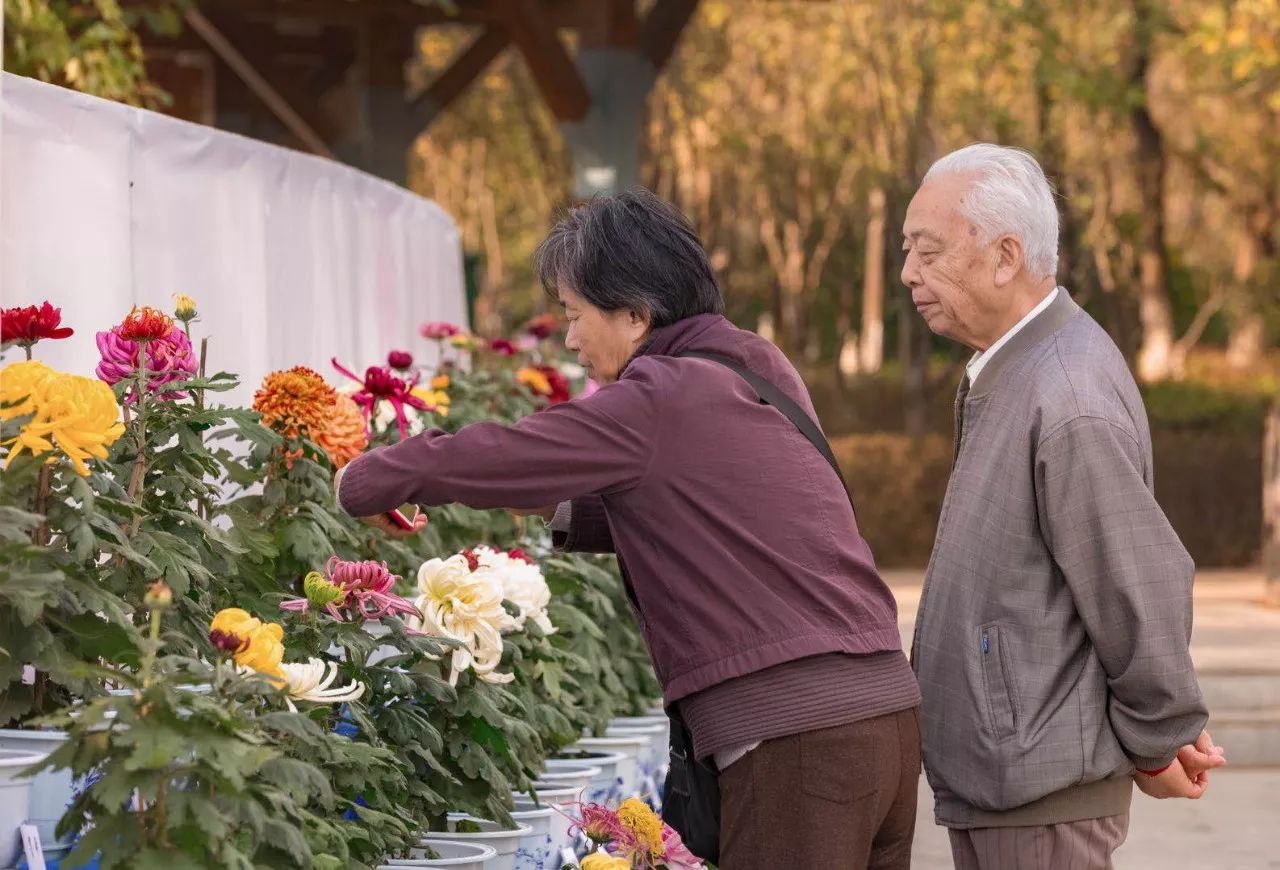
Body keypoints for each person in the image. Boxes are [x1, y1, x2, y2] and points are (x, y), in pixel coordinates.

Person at [335, 189, 922, 869]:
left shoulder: (659, 396)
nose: (573, 340)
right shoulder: (759, 368)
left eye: (576, 316)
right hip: (884, 721)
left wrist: (369, 478)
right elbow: (710, 506)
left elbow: (512, 452)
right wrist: (558, 508)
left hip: (796, 740)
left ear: (638, 314)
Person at [902, 143, 1226, 870]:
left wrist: (1161, 736)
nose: (907, 274)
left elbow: (1135, 581)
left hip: (1041, 790)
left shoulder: (1066, 392)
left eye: (926, 251)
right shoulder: (1014, 368)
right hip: (1011, 779)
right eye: (906, 250)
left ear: (1005, 257)